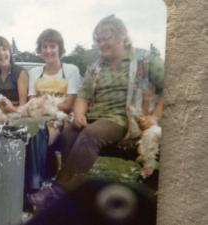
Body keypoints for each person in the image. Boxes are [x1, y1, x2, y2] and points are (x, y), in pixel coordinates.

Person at [28, 15, 164, 209]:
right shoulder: (96, 66)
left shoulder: (145, 60)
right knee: (68, 133)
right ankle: (72, 188)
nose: (101, 44)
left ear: (122, 36)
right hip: (95, 115)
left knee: (91, 134)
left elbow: (170, 88)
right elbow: (83, 95)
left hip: (123, 118)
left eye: (105, 38)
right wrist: (80, 114)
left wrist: (154, 116)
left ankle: (58, 190)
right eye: (98, 40)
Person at [24, 29, 82, 196]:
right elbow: (32, 101)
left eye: (52, 46)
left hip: (61, 117)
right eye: (44, 47)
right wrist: (39, 108)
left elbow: (69, 103)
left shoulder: (71, 70)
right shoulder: (35, 73)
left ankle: (37, 185)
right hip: (38, 116)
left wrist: (47, 108)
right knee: (25, 129)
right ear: (40, 49)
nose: (48, 50)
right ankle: (28, 180)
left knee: (40, 129)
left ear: (60, 48)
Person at [0, 36, 29, 109]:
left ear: (10, 52)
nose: (1, 53)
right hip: (2, 115)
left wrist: (11, 109)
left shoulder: (20, 72)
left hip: (19, 117)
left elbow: (24, 107)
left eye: (4, 49)